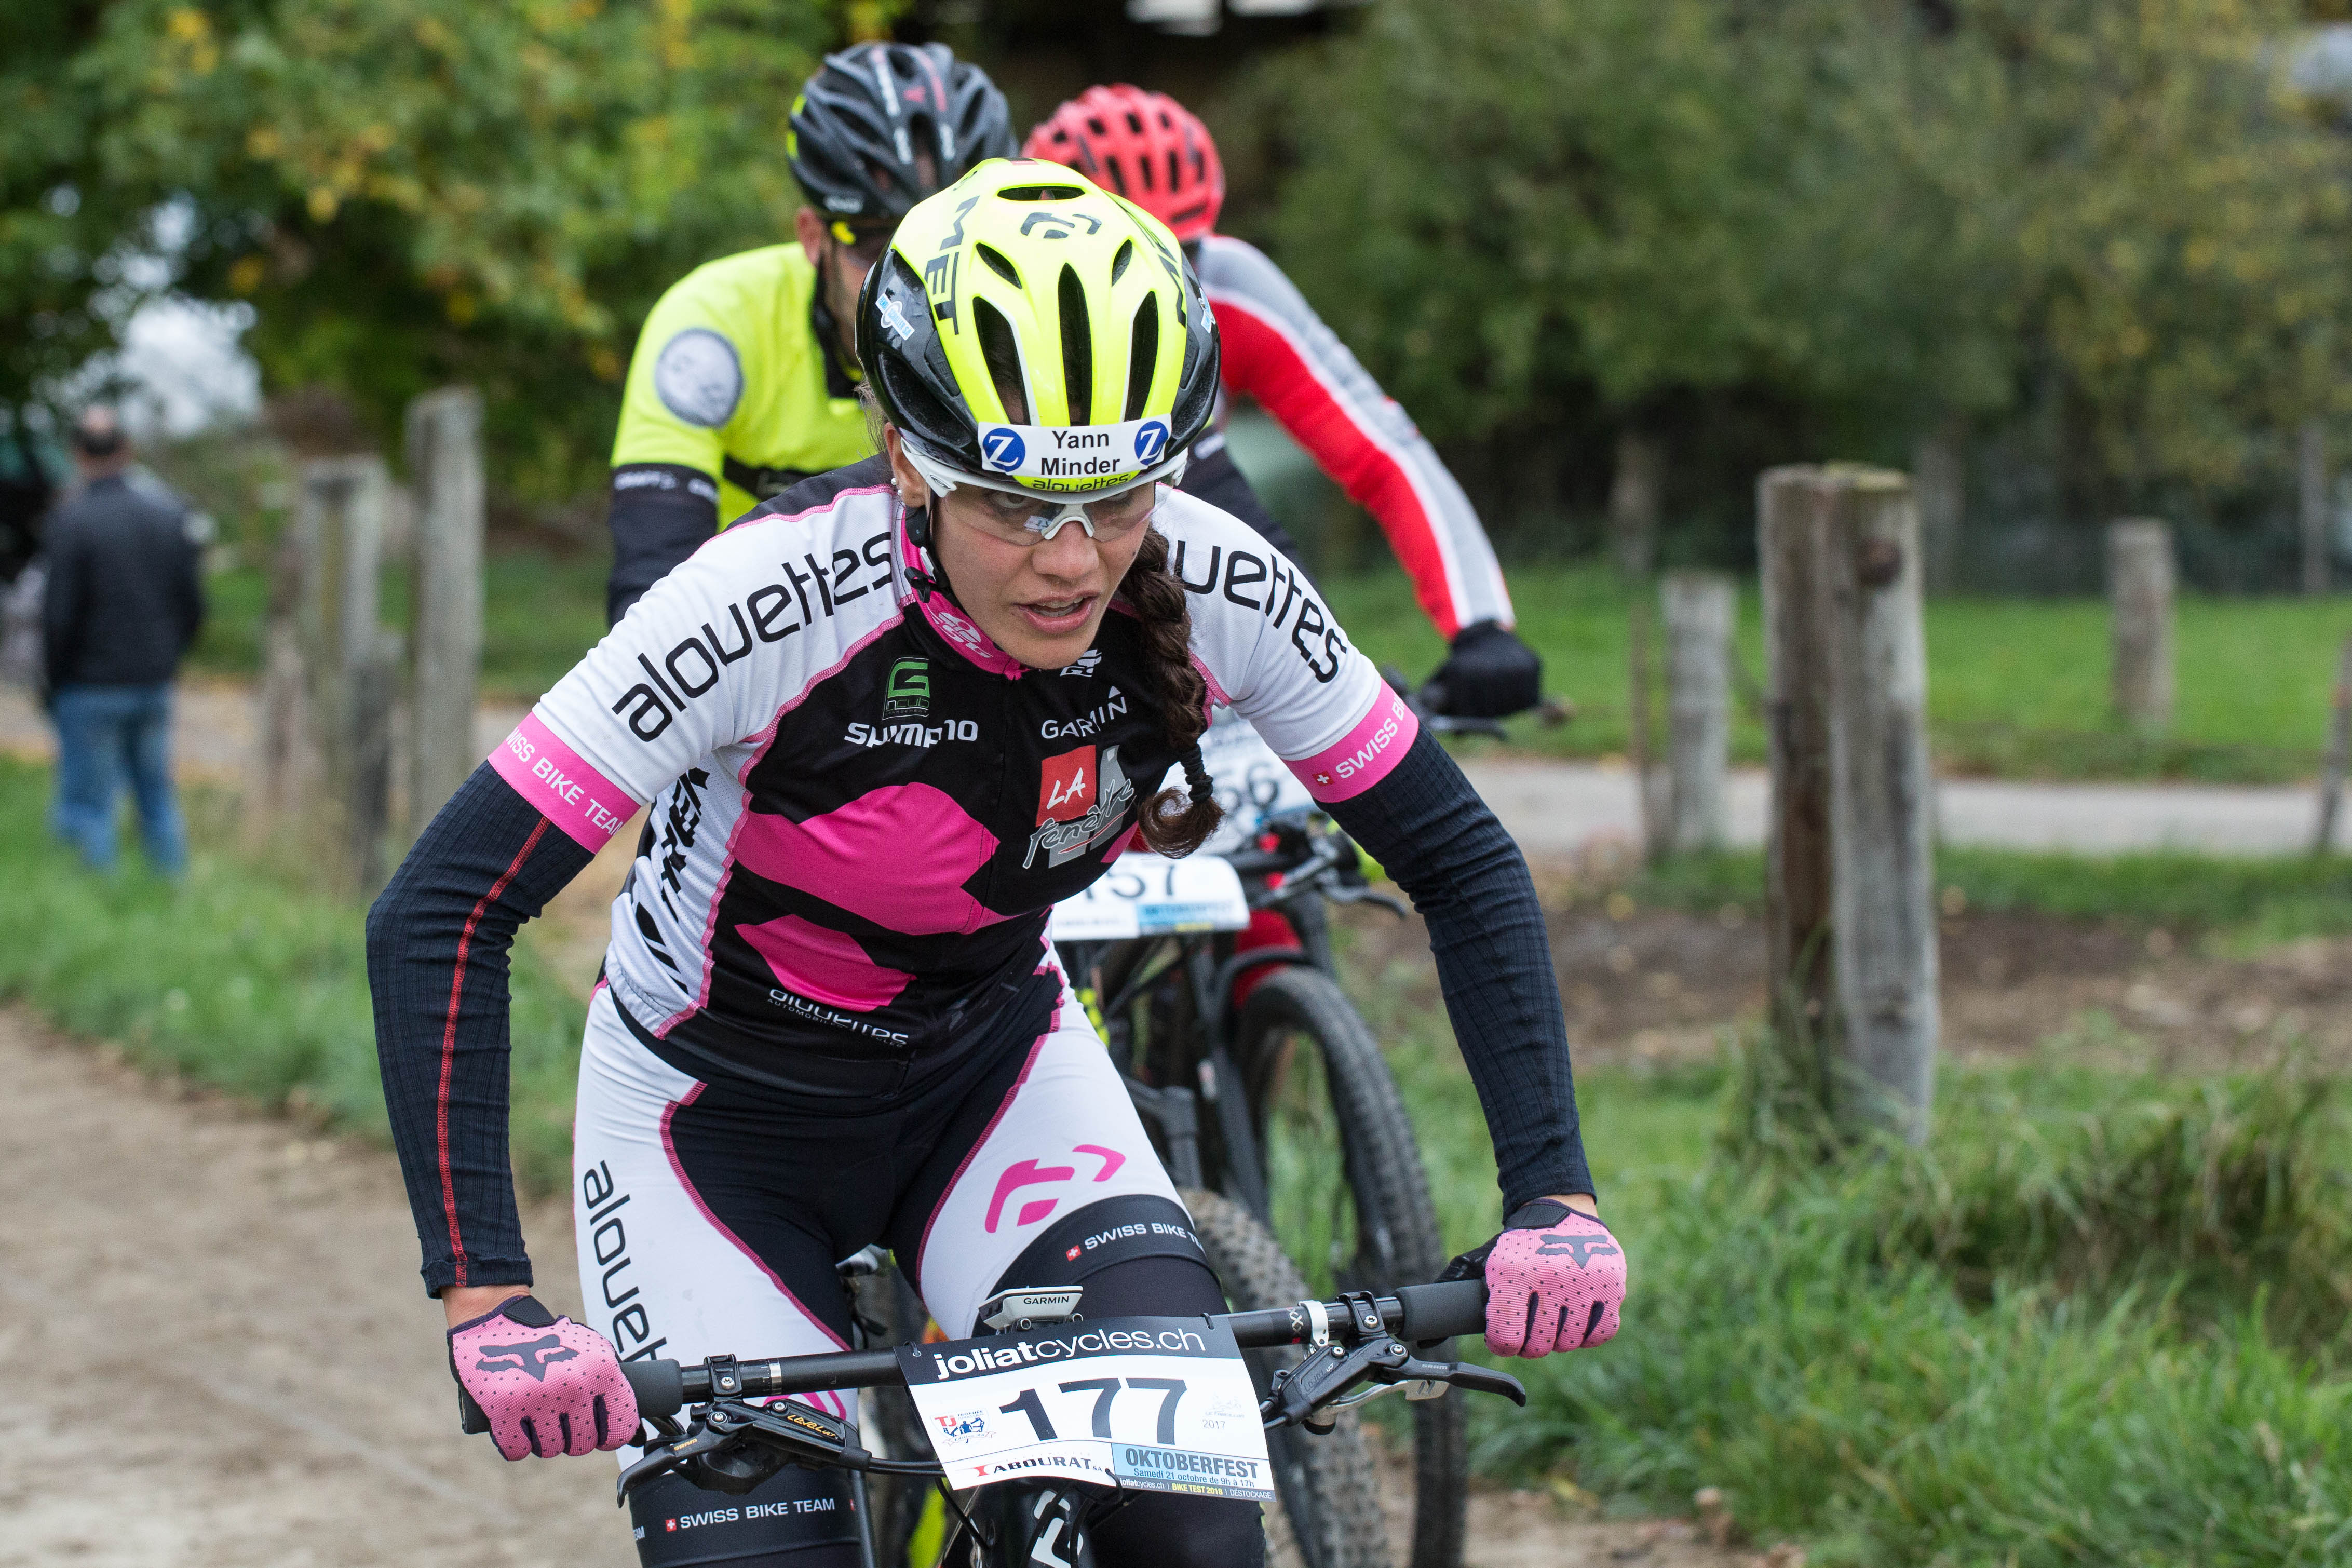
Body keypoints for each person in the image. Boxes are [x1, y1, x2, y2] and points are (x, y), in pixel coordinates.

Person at [368, 165, 1624, 1568]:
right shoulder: (760, 600)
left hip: (993, 1076)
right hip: (712, 1122)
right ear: (908, 459)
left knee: (1187, 1537)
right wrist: (486, 1294)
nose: (1073, 561)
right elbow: (444, 907)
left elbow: (1457, 855)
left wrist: (1554, 1196)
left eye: (1119, 497)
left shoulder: (1221, 581)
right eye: (1015, 506)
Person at [1023, 85, 1545, 720]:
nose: (1163, 280)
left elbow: (1379, 449)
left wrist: (1479, 624)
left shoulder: (1228, 283)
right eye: (1124, 256)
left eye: (1182, 252)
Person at [602, 40, 1016, 624]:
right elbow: (649, 588)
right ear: (813, 237)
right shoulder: (715, 325)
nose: (914, 284)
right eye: (876, 244)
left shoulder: (1025, 344)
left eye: (952, 248)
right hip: (739, 634)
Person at [39, 405, 202, 877]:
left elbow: (58, 615)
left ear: (76, 454)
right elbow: (193, 605)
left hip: (90, 683)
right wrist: (168, 655)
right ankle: (172, 884)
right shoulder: (168, 515)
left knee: (91, 802)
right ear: (127, 450)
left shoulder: (71, 520)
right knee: (156, 792)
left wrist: (55, 678)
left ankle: (98, 895)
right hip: (153, 679)